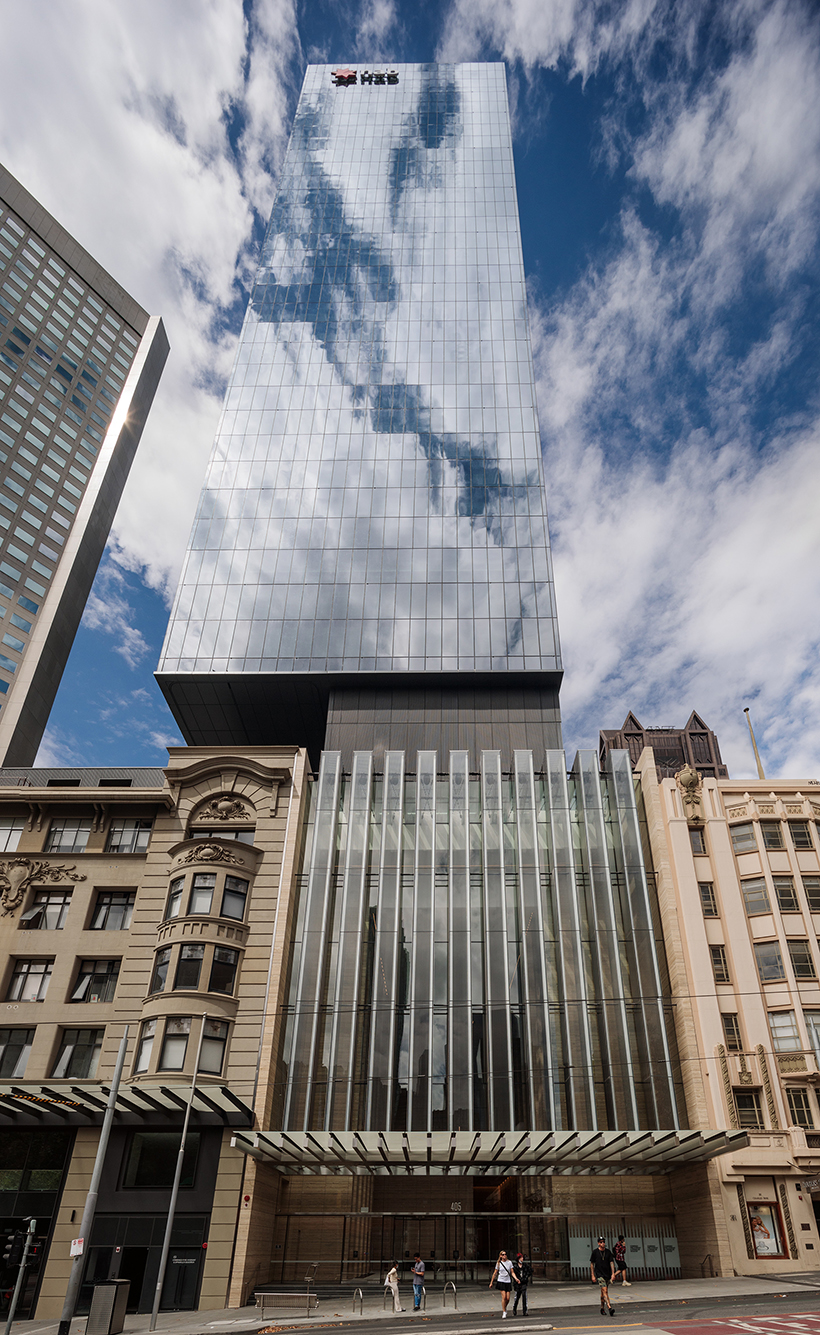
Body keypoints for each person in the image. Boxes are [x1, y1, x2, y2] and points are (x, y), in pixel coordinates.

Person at [589, 1236, 616, 1317]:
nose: (602, 1243)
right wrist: (593, 1275)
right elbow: (592, 1264)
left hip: (607, 1274)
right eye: (601, 1242)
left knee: (603, 1293)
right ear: (598, 1243)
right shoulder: (595, 1252)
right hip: (599, 1274)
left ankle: (602, 1308)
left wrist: (613, 1273)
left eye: (603, 1242)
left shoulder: (608, 1252)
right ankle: (609, 1307)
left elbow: (611, 1262)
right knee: (605, 1290)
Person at [490, 1249, 515, 1318]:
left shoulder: (509, 1262)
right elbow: (495, 1273)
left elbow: (512, 1272)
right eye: (503, 1254)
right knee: (504, 1297)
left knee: (508, 1298)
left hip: (508, 1281)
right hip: (501, 1280)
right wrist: (491, 1282)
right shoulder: (498, 1263)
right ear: (500, 1256)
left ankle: (504, 1307)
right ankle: (504, 1311)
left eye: (505, 1254)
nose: (504, 1256)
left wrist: (516, 1278)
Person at [512, 1251, 533, 1315]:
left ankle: (525, 1310)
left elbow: (530, 1271)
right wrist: (517, 1279)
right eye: (521, 1258)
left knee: (524, 1296)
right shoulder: (515, 1266)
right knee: (517, 1296)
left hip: (523, 1282)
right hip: (518, 1283)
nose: (522, 1259)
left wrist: (526, 1277)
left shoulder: (525, 1265)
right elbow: (513, 1274)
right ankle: (514, 1308)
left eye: (522, 1258)